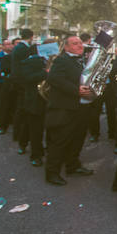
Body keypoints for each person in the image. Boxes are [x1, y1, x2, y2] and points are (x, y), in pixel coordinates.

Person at [43, 35, 95, 186]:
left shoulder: (83, 60)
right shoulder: (61, 60)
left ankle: (73, 166)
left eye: (80, 43)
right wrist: (76, 90)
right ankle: (52, 173)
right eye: (74, 44)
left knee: (77, 139)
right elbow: (54, 79)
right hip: (64, 109)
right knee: (60, 142)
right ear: (66, 47)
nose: (79, 45)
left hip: (80, 108)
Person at [20, 44, 49, 167]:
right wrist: (46, 73)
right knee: (35, 130)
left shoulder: (53, 61)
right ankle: (36, 155)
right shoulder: (29, 62)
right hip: (35, 100)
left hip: (49, 100)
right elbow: (27, 78)